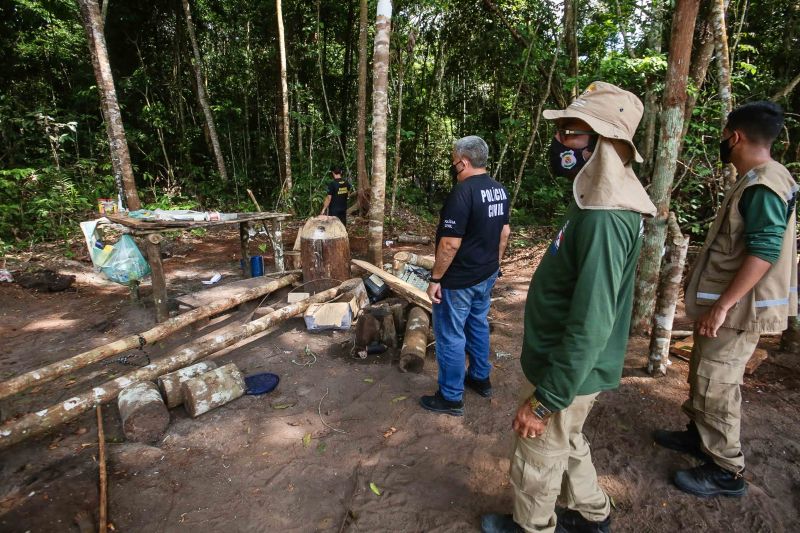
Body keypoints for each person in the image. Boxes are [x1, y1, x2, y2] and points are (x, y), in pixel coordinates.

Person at [481, 82, 656, 533]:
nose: (560, 142)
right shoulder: (592, 204)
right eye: (561, 132)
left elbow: (593, 320)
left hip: (568, 371)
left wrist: (544, 402)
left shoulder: (604, 218)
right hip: (568, 367)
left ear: (605, 143)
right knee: (568, 438)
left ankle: (532, 526)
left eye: (573, 133)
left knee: (537, 452)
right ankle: (592, 513)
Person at [654, 101, 797, 498]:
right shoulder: (764, 177)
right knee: (704, 372)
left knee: (717, 383)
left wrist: (722, 305)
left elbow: (764, 251)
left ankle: (725, 469)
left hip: (738, 310)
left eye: (723, 137)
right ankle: (699, 436)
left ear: (735, 137)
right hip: (731, 306)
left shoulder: (763, 185)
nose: (723, 143)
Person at [419, 135, 511, 417]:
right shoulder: (499, 190)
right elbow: (504, 233)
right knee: (478, 325)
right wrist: (495, 266)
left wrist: (435, 279)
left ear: (464, 161)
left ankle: (450, 396)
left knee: (450, 336)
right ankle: (480, 378)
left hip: (459, 281)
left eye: (454, 162)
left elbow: (449, 244)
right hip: (485, 274)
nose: (453, 166)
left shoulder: (463, 193)